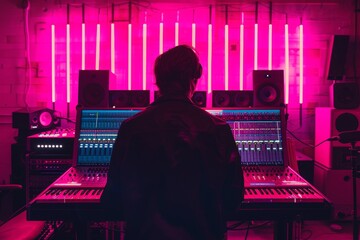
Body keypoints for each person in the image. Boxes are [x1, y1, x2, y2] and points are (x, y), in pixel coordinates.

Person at [101, 45, 244, 240]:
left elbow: (113, 201)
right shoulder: (218, 129)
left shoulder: (131, 129)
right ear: (195, 78)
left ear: (158, 81)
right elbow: (232, 200)